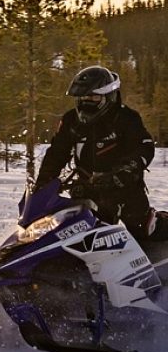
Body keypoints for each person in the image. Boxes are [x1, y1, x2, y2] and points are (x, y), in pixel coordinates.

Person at [36, 65, 159, 239]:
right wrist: (43, 183)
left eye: (93, 97)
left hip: (124, 187)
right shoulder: (71, 120)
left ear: (108, 96)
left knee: (141, 230)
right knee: (76, 234)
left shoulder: (126, 118)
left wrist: (127, 169)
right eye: (83, 97)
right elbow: (57, 152)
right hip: (87, 188)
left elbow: (144, 147)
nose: (87, 101)